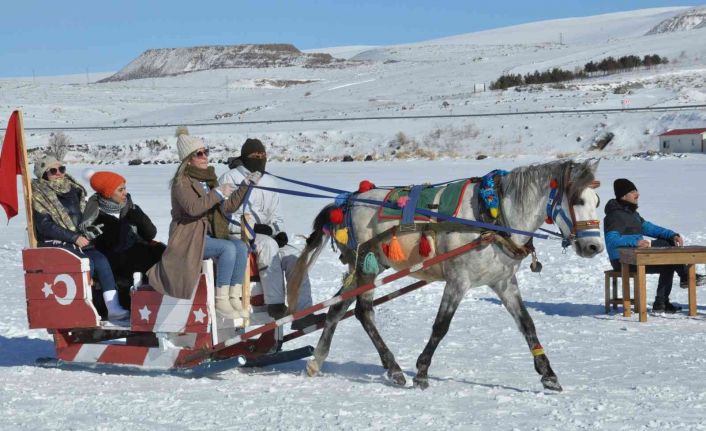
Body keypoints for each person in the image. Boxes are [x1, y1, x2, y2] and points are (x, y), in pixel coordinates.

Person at [147, 134, 260, 319]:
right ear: (188, 160)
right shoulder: (181, 182)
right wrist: (217, 193)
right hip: (188, 237)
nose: (205, 156)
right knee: (227, 249)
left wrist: (246, 186)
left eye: (205, 152)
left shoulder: (208, 180)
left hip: (208, 234)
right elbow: (193, 209)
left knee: (240, 246)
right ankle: (221, 300)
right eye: (199, 153)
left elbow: (228, 206)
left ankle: (233, 297)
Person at [219, 138, 322, 330]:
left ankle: (302, 312)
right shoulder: (230, 178)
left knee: (294, 256)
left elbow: (277, 217)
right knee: (267, 244)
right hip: (238, 235)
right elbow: (226, 214)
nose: (260, 158)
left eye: (263, 155)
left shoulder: (269, 181)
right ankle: (274, 304)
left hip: (266, 236)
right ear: (245, 157)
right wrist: (255, 229)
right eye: (255, 156)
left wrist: (278, 232)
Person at [31, 156, 130, 321]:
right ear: (43, 174)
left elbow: (82, 216)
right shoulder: (40, 195)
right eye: (53, 171)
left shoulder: (74, 189)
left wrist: (88, 229)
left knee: (101, 261)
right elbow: (45, 226)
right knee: (85, 264)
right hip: (58, 243)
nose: (59, 174)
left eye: (61, 169)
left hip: (80, 241)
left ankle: (113, 307)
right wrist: (74, 237)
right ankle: (83, 308)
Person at [604, 178, 706, 313]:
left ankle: (661, 302)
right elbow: (612, 240)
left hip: (638, 256)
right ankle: (684, 276)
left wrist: (671, 234)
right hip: (622, 260)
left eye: (637, 190)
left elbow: (649, 227)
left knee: (668, 259)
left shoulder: (632, 214)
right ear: (623, 195)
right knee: (667, 249)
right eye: (633, 191)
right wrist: (635, 242)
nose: (637, 194)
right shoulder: (614, 216)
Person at [82, 170, 166, 308]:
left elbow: (150, 233)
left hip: (136, 252)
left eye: (125, 188)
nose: (125, 193)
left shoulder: (129, 207)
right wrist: (123, 223)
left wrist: (135, 214)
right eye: (120, 190)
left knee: (163, 251)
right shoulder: (96, 216)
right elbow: (114, 246)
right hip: (118, 262)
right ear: (108, 193)